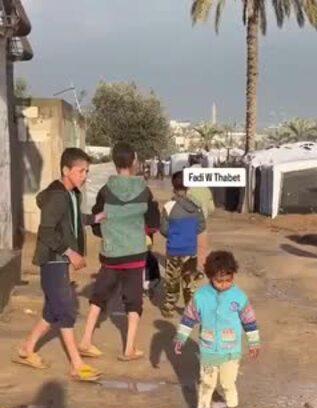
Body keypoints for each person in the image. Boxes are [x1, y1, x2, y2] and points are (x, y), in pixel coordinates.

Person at [15, 148, 104, 382]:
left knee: (52, 312)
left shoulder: (72, 194)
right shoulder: (57, 196)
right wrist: (70, 252)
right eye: (80, 171)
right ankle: (77, 364)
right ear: (66, 170)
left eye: (86, 171)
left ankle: (26, 349)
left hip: (60, 260)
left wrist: (94, 218)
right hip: (53, 260)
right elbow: (45, 231)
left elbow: (72, 218)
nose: (84, 175)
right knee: (65, 311)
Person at [79, 142, 155, 361]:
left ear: (114, 162)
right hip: (135, 255)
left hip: (111, 255)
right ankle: (129, 348)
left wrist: (109, 235)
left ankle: (85, 341)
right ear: (133, 162)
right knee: (133, 301)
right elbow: (151, 220)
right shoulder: (144, 190)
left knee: (98, 297)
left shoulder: (106, 190)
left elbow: (96, 218)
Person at [174, 250, 260, 408]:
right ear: (209, 276)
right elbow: (188, 319)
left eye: (228, 280)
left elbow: (250, 322)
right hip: (209, 350)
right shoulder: (200, 296)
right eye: (218, 281)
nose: (223, 285)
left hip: (231, 351)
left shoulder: (239, 297)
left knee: (228, 382)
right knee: (207, 383)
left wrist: (254, 343)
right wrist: (181, 338)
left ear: (233, 275)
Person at [160, 171, 206, 319]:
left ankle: (169, 308)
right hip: (190, 250)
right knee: (189, 281)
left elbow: (163, 229)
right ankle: (190, 310)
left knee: (172, 280)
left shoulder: (168, 206)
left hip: (173, 250)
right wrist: (189, 233)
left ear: (173, 187)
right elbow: (201, 227)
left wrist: (175, 235)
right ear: (188, 187)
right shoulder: (196, 206)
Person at [187, 181, 215, 270]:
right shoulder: (207, 190)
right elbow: (212, 208)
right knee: (202, 246)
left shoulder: (189, 190)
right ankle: (200, 267)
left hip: (189, 221)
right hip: (202, 220)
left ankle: (189, 266)